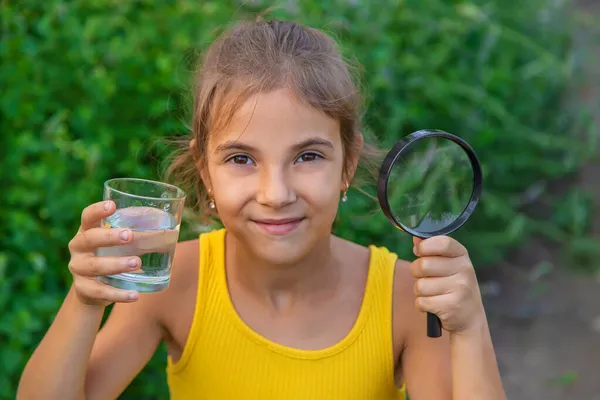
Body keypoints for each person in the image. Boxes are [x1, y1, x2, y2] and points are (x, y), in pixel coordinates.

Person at [17, 18, 506, 400]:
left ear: (347, 164)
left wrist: (469, 327)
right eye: (241, 159)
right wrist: (84, 302)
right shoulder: (175, 283)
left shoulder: (404, 298)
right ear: (204, 172)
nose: (276, 193)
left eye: (308, 156)